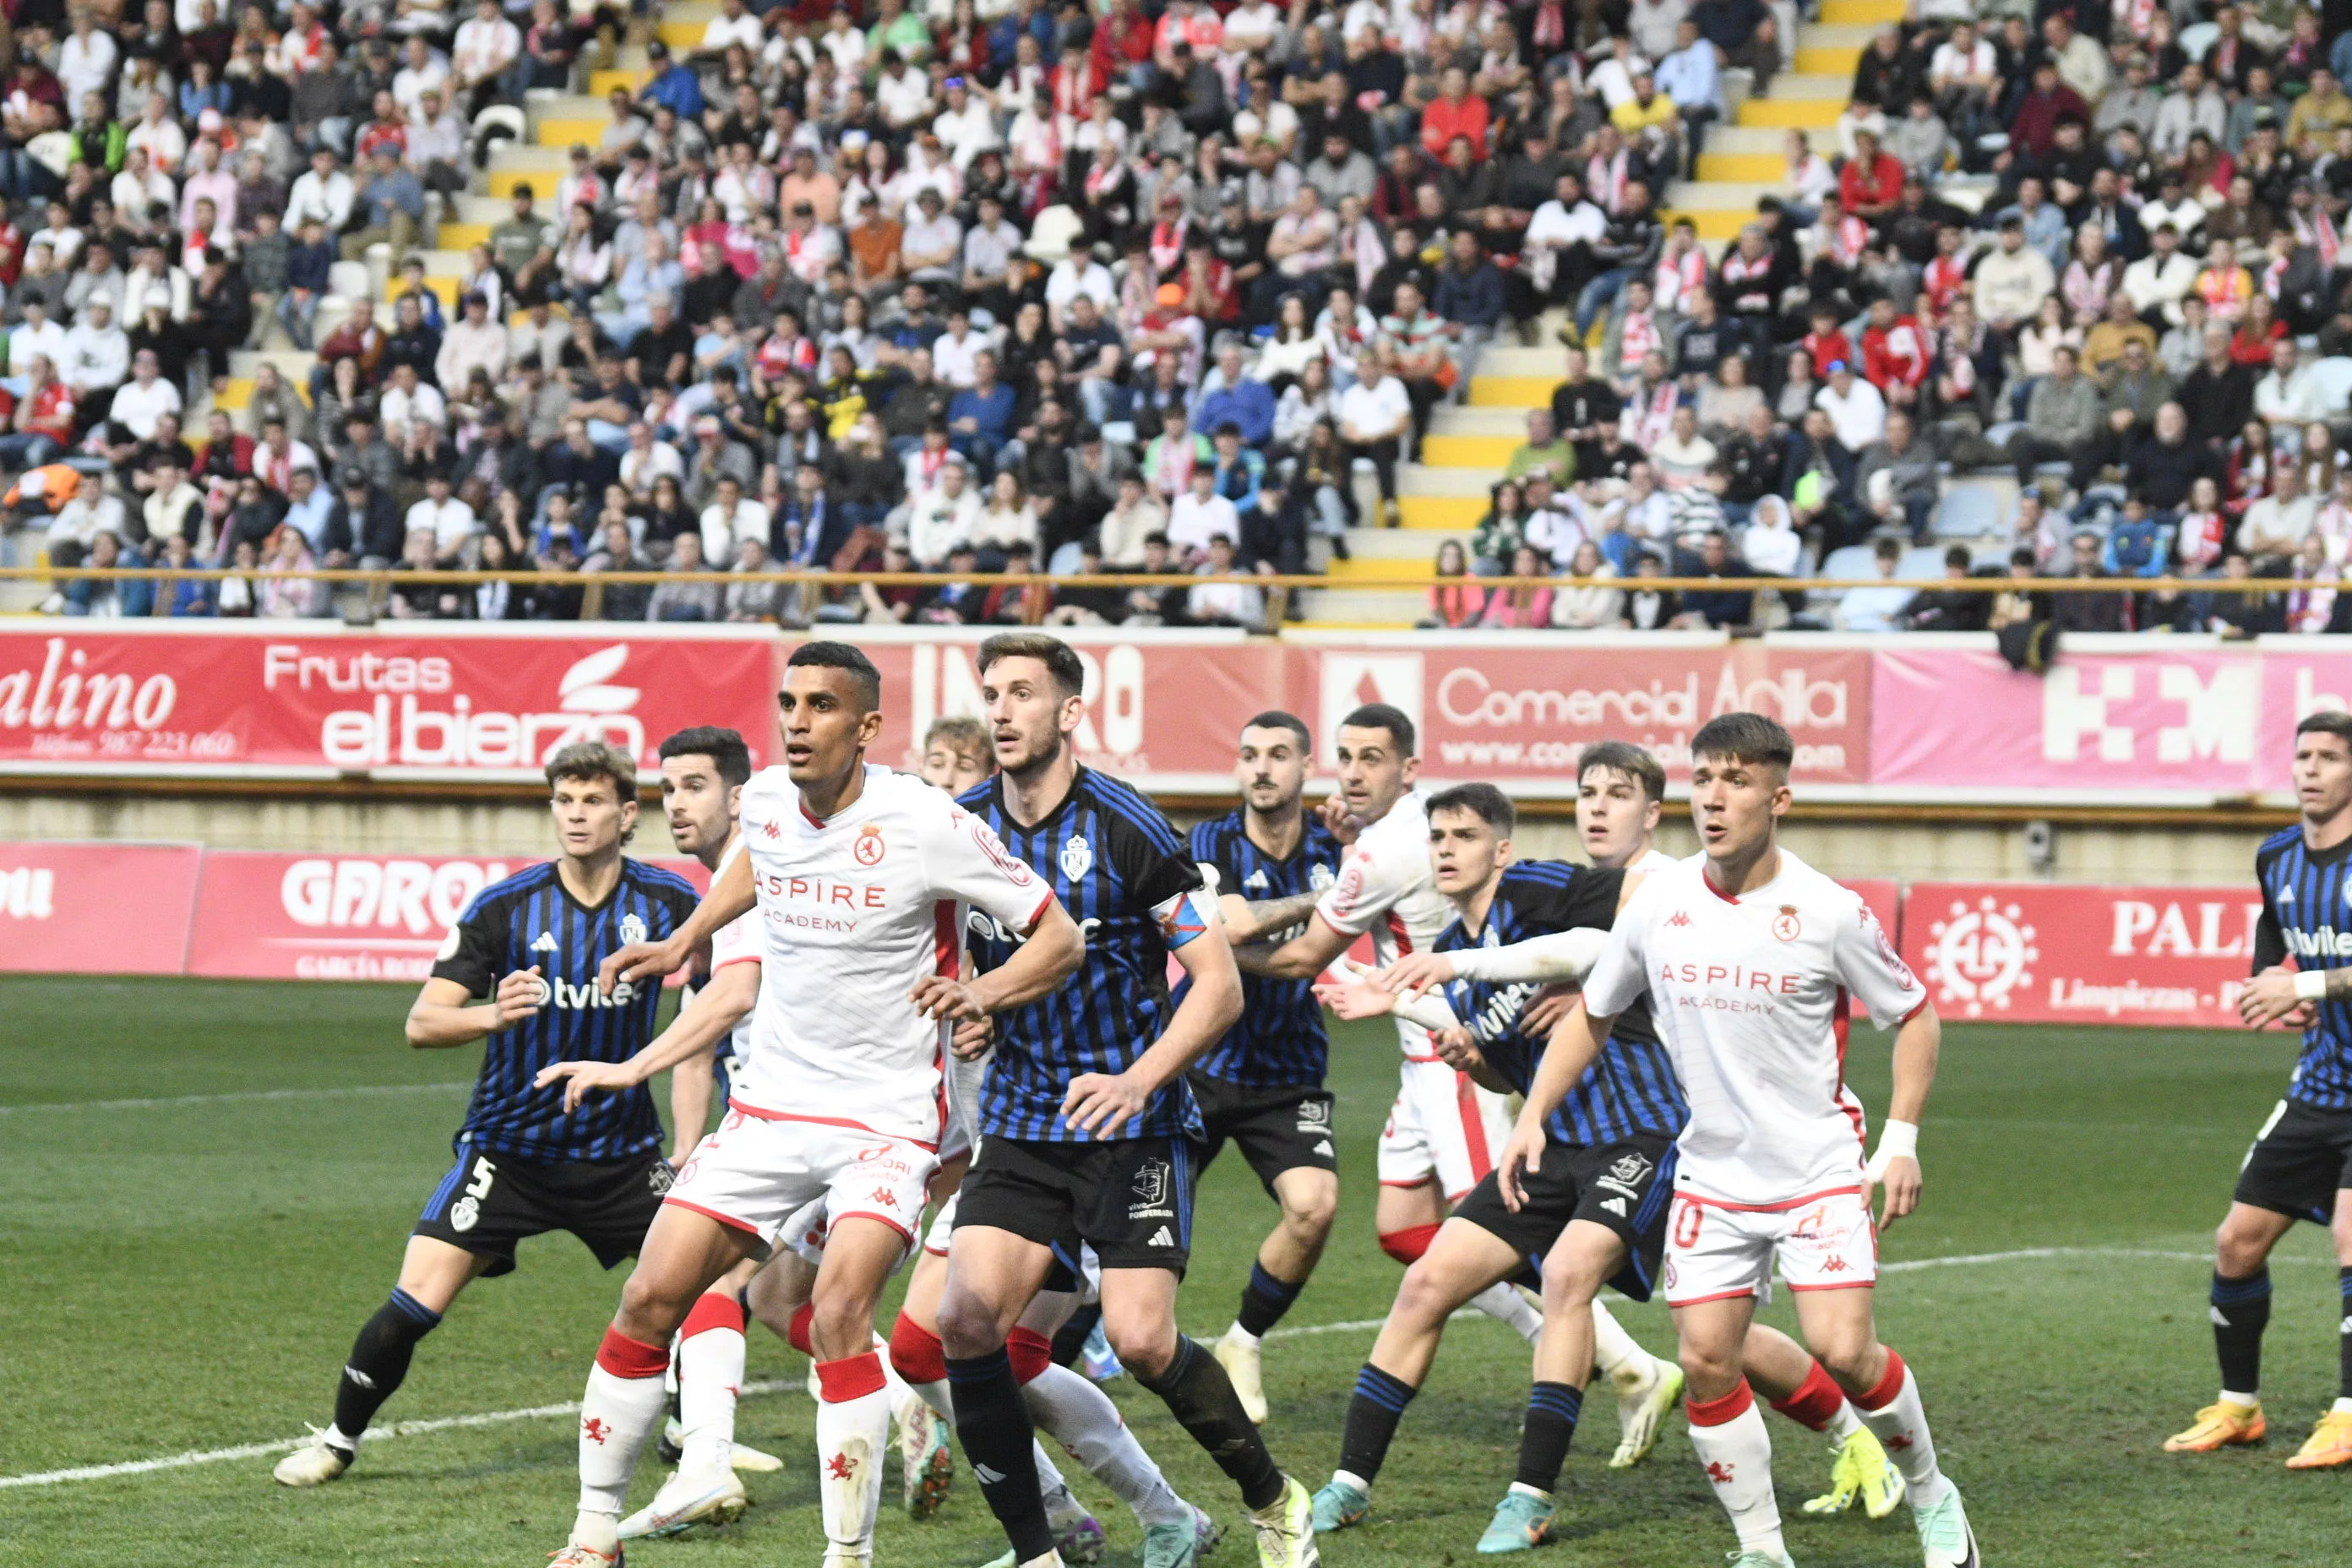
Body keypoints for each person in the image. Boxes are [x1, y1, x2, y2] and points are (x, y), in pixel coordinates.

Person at [541, 644, 1086, 1568]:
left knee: (838, 1313)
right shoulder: (762, 799)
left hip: (885, 1120)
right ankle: (594, 1534)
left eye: (822, 704)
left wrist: (984, 995)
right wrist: (688, 935)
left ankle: (848, 1555)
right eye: (788, 701)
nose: (796, 720)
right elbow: (761, 860)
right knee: (647, 1296)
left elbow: (1059, 937)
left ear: (866, 726)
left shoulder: (923, 819)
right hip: (769, 1109)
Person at [1497, 711, 1978, 1568]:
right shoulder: (1661, 901)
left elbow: (1915, 1016)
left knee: (1844, 1350)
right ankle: (1762, 1548)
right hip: (1713, 1171)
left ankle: (1936, 1493)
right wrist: (1534, 1109)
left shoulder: (1828, 910)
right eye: (1706, 778)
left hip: (1817, 1166)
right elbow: (1594, 1014)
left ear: (1778, 796)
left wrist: (1900, 1139)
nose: (1715, 798)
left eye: (1739, 780)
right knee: (1708, 1359)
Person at [936, 632, 1317, 1568]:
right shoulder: (963, 825)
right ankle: (1039, 1551)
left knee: (1145, 1339)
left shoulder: (1128, 827)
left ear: (1069, 713)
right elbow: (970, 958)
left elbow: (1218, 986)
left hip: (1133, 1122)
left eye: (1023, 692)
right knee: (964, 1321)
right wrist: (976, 1012)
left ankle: (1275, 1497)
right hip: (1023, 1117)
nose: (1002, 709)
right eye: (993, 692)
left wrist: (1139, 1077)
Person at [1241, 705, 1680, 1443]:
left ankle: (1630, 1364)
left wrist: (1219, 943)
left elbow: (1298, 958)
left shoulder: (1427, 859)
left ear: (1408, 771)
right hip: (1447, 1041)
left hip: (1527, 1070)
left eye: (1372, 758)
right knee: (1404, 1230)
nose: (1353, 771)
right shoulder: (1383, 842)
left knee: (1518, 1244)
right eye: (1345, 756)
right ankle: (1609, 1355)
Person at [272, 743, 704, 1491]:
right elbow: (421, 1023)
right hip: (509, 1152)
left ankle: (696, 1438)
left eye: (593, 801)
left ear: (627, 814)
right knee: (414, 1304)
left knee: (710, 1297)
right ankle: (339, 1440)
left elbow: (727, 991)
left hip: (624, 1157)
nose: (576, 814)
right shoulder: (505, 908)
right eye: (564, 800)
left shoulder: (670, 906)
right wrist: (491, 1016)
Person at [2194, 709, 2352, 1472]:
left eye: (2329, 757)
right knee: (2237, 1243)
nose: (2311, 770)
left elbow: (2317, 972)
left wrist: (2315, 982)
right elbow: (2274, 938)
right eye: (2303, 756)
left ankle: (2350, 1414)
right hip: (2321, 1084)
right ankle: (2239, 1409)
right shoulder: (2278, 856)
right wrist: (2271, 984)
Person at [1186, 713, 1348, 1424]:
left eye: (1278, 755)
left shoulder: (1336, 844)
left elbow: (1303, 951)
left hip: (1288, 1070)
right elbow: (1231, 924)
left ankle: (1243, 1341)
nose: (1261, 768)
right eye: (1249, 754)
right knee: (1125, 1218)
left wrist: (1346, 870)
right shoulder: (1210, 841)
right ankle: (1041, 1365)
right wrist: (1331, 896)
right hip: (1198, 1057)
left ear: (1305, 767)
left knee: (1314, 1208)